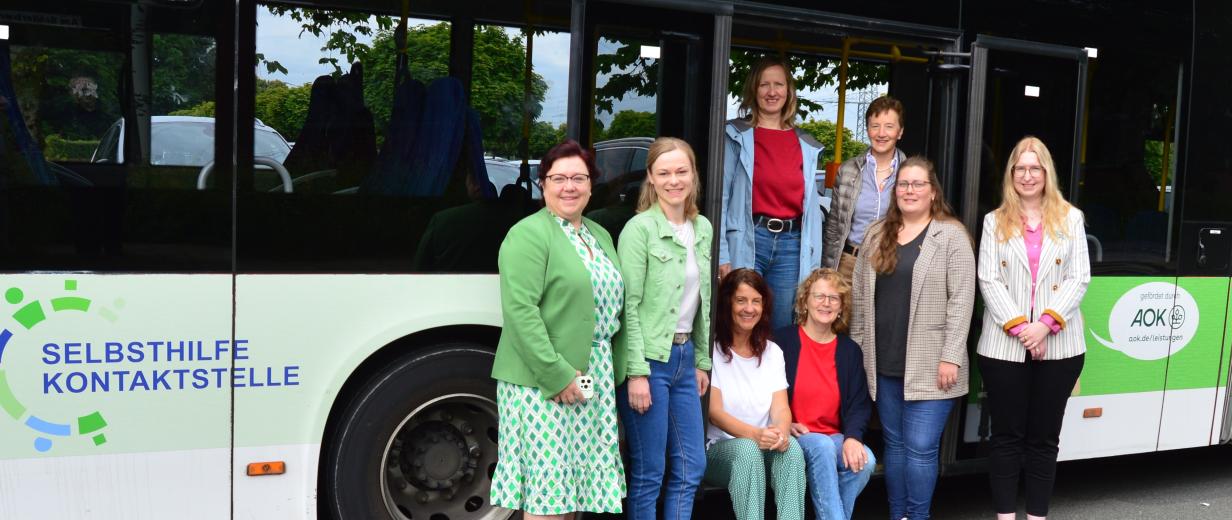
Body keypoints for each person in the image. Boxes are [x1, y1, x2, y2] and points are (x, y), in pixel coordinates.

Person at [489, 140, 626, 517]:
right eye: (559, 178)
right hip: (542, 380)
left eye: (578, 178)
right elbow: (521, 312)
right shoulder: (528, 234)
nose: (570, 186)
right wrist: (557, 374)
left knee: (572, 494)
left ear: (591, 185)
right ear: (543, 184)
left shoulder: (598, 235)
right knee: (547, 496)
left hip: (591, 373)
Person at [850, 156, 975, 520]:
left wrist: (952, 354)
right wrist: (859, 353)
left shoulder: (951, 236)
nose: (909, 190)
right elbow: (859, 297)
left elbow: (962, 299)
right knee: (896, 446)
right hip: (884, 361)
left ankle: (917, 517)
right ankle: (898, 514)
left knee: (920, 446)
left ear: (932, 192)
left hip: (934, 363)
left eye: (918, 184)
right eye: (903, 184)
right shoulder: (876, 233)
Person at [976, 136, 1089, 520]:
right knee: (1005, 439)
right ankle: (1006, 517)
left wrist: (1044, 326)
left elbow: (1079, 278)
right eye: (1020, 168)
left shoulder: (1071, 218)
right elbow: (988, 280)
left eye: (1034, 168)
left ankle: (1037, 516)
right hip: (1003, 346)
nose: (1027, 175)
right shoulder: (994, 221)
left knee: (1044, 440)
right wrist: (1023, 329)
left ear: (1046, 173)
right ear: (1011, 174)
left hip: (1059, 346)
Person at [615, 137, 712, 520]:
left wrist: (701, 359)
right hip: (649, 361)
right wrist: (636, 372)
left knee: (692, 468)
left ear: (693, 175)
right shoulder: (639, 230)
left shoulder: (701, 227)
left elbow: (703, 300)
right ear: (651, 180)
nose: (674, 180)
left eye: (681, 171)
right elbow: (629, 307)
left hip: (685, 360)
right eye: (664, 173)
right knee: (649, 473)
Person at [719, 57, 825, 330]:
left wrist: (813, 263)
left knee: (780, 327)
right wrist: (721, 255)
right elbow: (722, 198)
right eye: (764, 84)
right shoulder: (735, 136)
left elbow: (812, 213)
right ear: (754, 90)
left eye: (779, 84)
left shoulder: (805, 144)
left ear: (789, 91)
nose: (771, 91)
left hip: (792, 245)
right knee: (741, 323)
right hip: (750, 238)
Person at [704, 268, 807, 520]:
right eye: (741, 300)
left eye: (756, 301)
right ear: (728, 303)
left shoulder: (772, 351)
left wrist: (780, 434)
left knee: (791, 448)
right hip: (721, 450)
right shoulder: (712, 350)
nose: (749, 308)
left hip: (763, 443)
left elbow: (781, 409)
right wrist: (756, 435)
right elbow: (715, 413)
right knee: (748, 451)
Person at [775, 268, 875, 520]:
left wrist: (853, 437)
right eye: (819, 296)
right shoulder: (782, 341)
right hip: (799, 435)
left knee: (867, 461)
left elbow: (859, 404)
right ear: (805, 301)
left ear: (841, 308)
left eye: (834, 298)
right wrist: (786, 423)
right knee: (820, 445)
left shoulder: (849, 351)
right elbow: (765, 391)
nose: (826, 303)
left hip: (833, 437)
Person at [823, 96, 908, 284]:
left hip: (893, 264)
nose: (881, 133)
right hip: (850, 263)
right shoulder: (847, 171)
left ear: (900, 132)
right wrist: (828, 271)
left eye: (889, 126)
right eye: (875, 125)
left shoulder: (911, 174)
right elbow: (833, 226)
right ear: (868, 129)